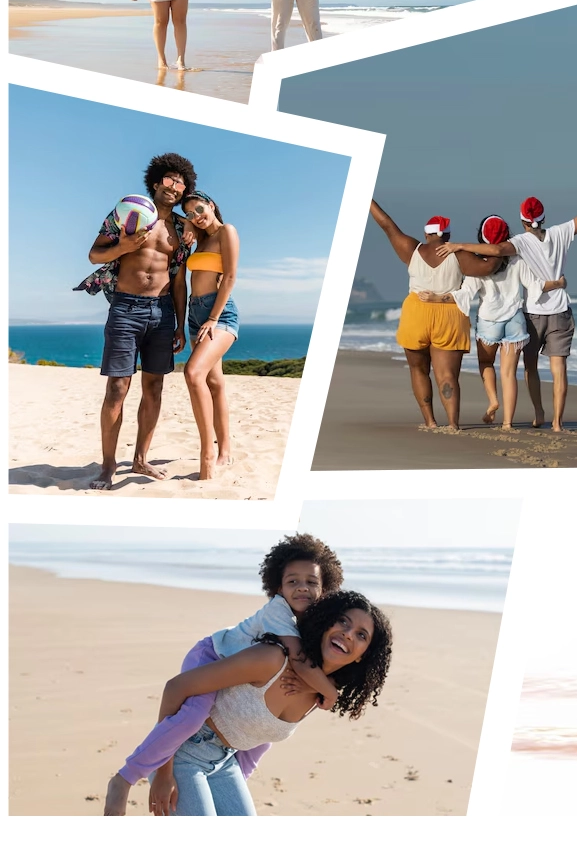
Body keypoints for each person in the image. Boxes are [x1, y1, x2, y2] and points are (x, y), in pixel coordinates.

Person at [103, 535, 344, 814]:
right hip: (211, 653)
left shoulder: (309, 628)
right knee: (193, 715)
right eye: (292, 581)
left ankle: (231, 777)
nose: (302, 588)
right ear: (278, 587)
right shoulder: (279, 611)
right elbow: (300, 661)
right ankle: (125, 778)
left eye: (311, 582)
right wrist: (330, 692)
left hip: (223, 753)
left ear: (325, 588)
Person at [147, 590, 392, 816]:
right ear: (327, 623)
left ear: (363, 655)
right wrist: (163, 771)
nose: (348, 633)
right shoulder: (274, 659)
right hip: (181, 753)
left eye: (361, 635)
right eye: (343, 622)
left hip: (223, 762)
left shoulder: (321, 692)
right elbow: (176, 687)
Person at [443, 167, 577, 431]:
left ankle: (538, 413)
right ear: (544, 217)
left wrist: (460, 246)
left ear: (522, 221)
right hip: (561, 310)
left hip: (532, 314)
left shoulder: (520, 243)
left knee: (529, 367)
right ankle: (557, 423)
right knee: (558, 368)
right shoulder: (561, 233)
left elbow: (494, 250)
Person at [76, 153, 194, 489]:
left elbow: (179, 281)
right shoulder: (130, 213)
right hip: (126, 309)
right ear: (156, 182)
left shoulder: (182, 229)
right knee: (117, 388)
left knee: (154, 387)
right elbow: (95, 253)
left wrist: (180, 325)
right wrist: (123, 245)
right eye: (170, 179)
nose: (175, 185)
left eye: (181, 182)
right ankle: (108, 465)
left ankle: (141, 459)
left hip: (163, 312)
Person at [366, 201, 497, 431]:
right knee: (447, 376)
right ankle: (454, 424)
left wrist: (367, 198)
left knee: (418, 370)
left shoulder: (410, 248)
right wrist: (498, 245)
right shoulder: (459, 254)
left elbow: (386, 224)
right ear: (446, 235)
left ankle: (430, 421)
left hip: (417, 312)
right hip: (449, 314)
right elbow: (488, 267)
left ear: (426, 234)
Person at [451, 215, 560, 431]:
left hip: (489, 322)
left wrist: (439, 298)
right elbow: (536, 285)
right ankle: (508, 423)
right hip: (514, 320)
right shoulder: (517, 259)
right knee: (509, 374)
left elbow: (466, 294)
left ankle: (493, 400)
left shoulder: (477, 264)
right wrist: (558, 282)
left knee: (486, 364)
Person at [177, 193, 241, 481]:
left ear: (212, 205)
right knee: (214, 383)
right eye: (190, 213)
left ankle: (208, 454)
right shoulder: (198, 239)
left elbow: (229, 277)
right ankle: (225, 449)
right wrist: (188, 224)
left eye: (199, 209)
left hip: (220, 314)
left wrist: (214, 317)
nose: (196, 215)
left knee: (192, 373)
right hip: (195, 314)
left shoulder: (227, 231)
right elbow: (170, 216)